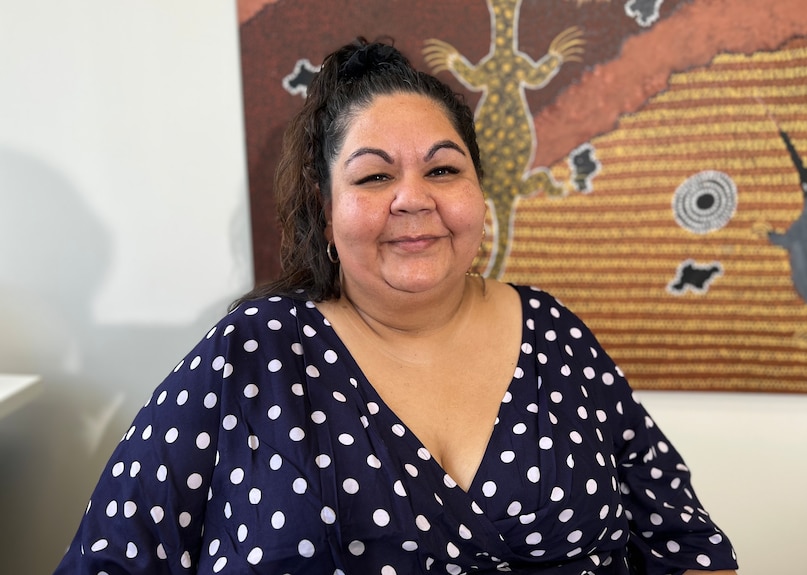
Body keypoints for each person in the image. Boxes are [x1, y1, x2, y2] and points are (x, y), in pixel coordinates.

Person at [54, 37, 739, 575]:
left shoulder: (555, 333)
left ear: (478, 192)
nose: (414, 199)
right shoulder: (252, 353)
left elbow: (687, 540)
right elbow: (109, 557)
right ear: (326, 211)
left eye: (443, 169)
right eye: (375, 175)